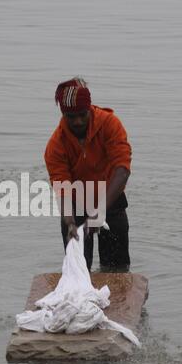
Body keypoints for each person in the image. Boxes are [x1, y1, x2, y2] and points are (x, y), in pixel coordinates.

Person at [44, 77, 132, 272]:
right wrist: (69, 222)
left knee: (117, 270)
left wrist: (100, 210)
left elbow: (122, 169)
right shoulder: (56, 145)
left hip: (111, 199)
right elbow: (62, 187)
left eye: (82, 115)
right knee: (78, 269)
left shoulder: (110, 124)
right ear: (63, 114)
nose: (77, 121)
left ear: (90, 108)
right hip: (76, 206)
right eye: (71, 116)